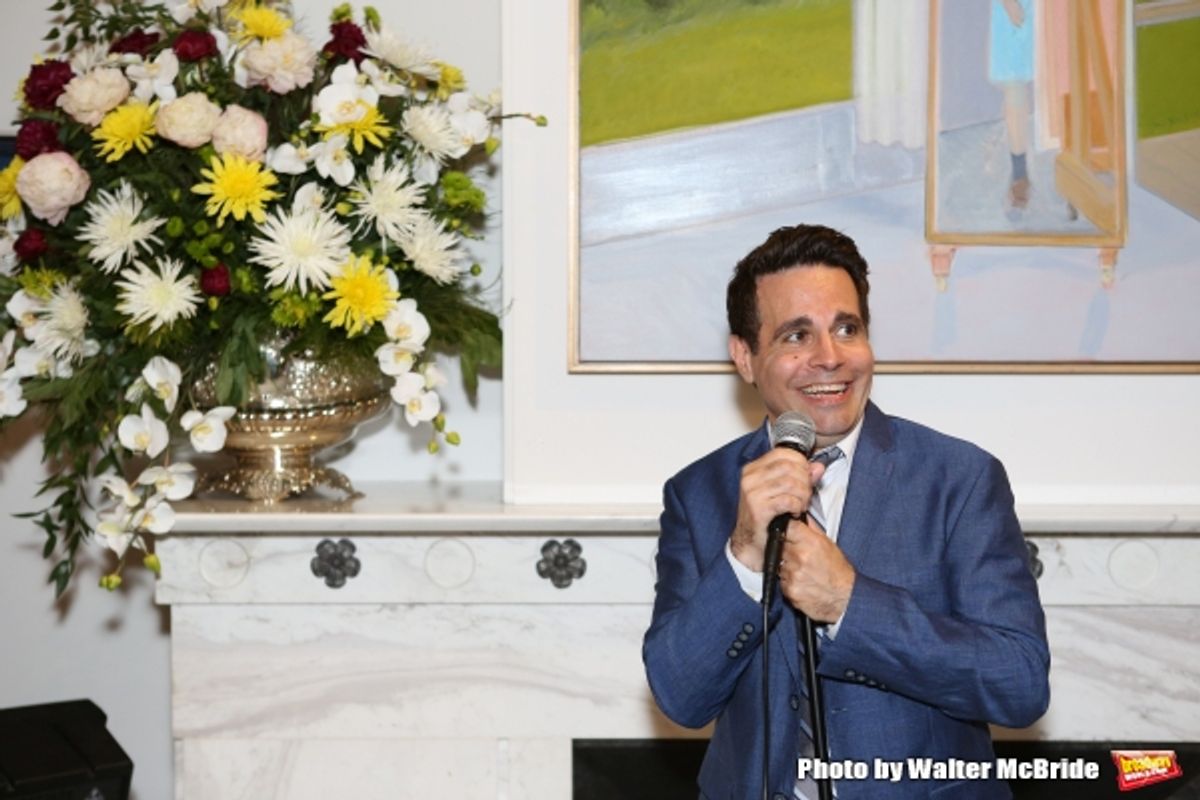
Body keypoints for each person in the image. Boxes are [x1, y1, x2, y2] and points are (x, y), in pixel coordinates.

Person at [642, 224, 1050, 799]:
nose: (829, 358)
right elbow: (681, 697)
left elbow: (1020, 682)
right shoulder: (700, 492)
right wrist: (742, 559)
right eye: (794, 336)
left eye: (846, 328)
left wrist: (849, 605)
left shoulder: (958, 478)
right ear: (745, 356)